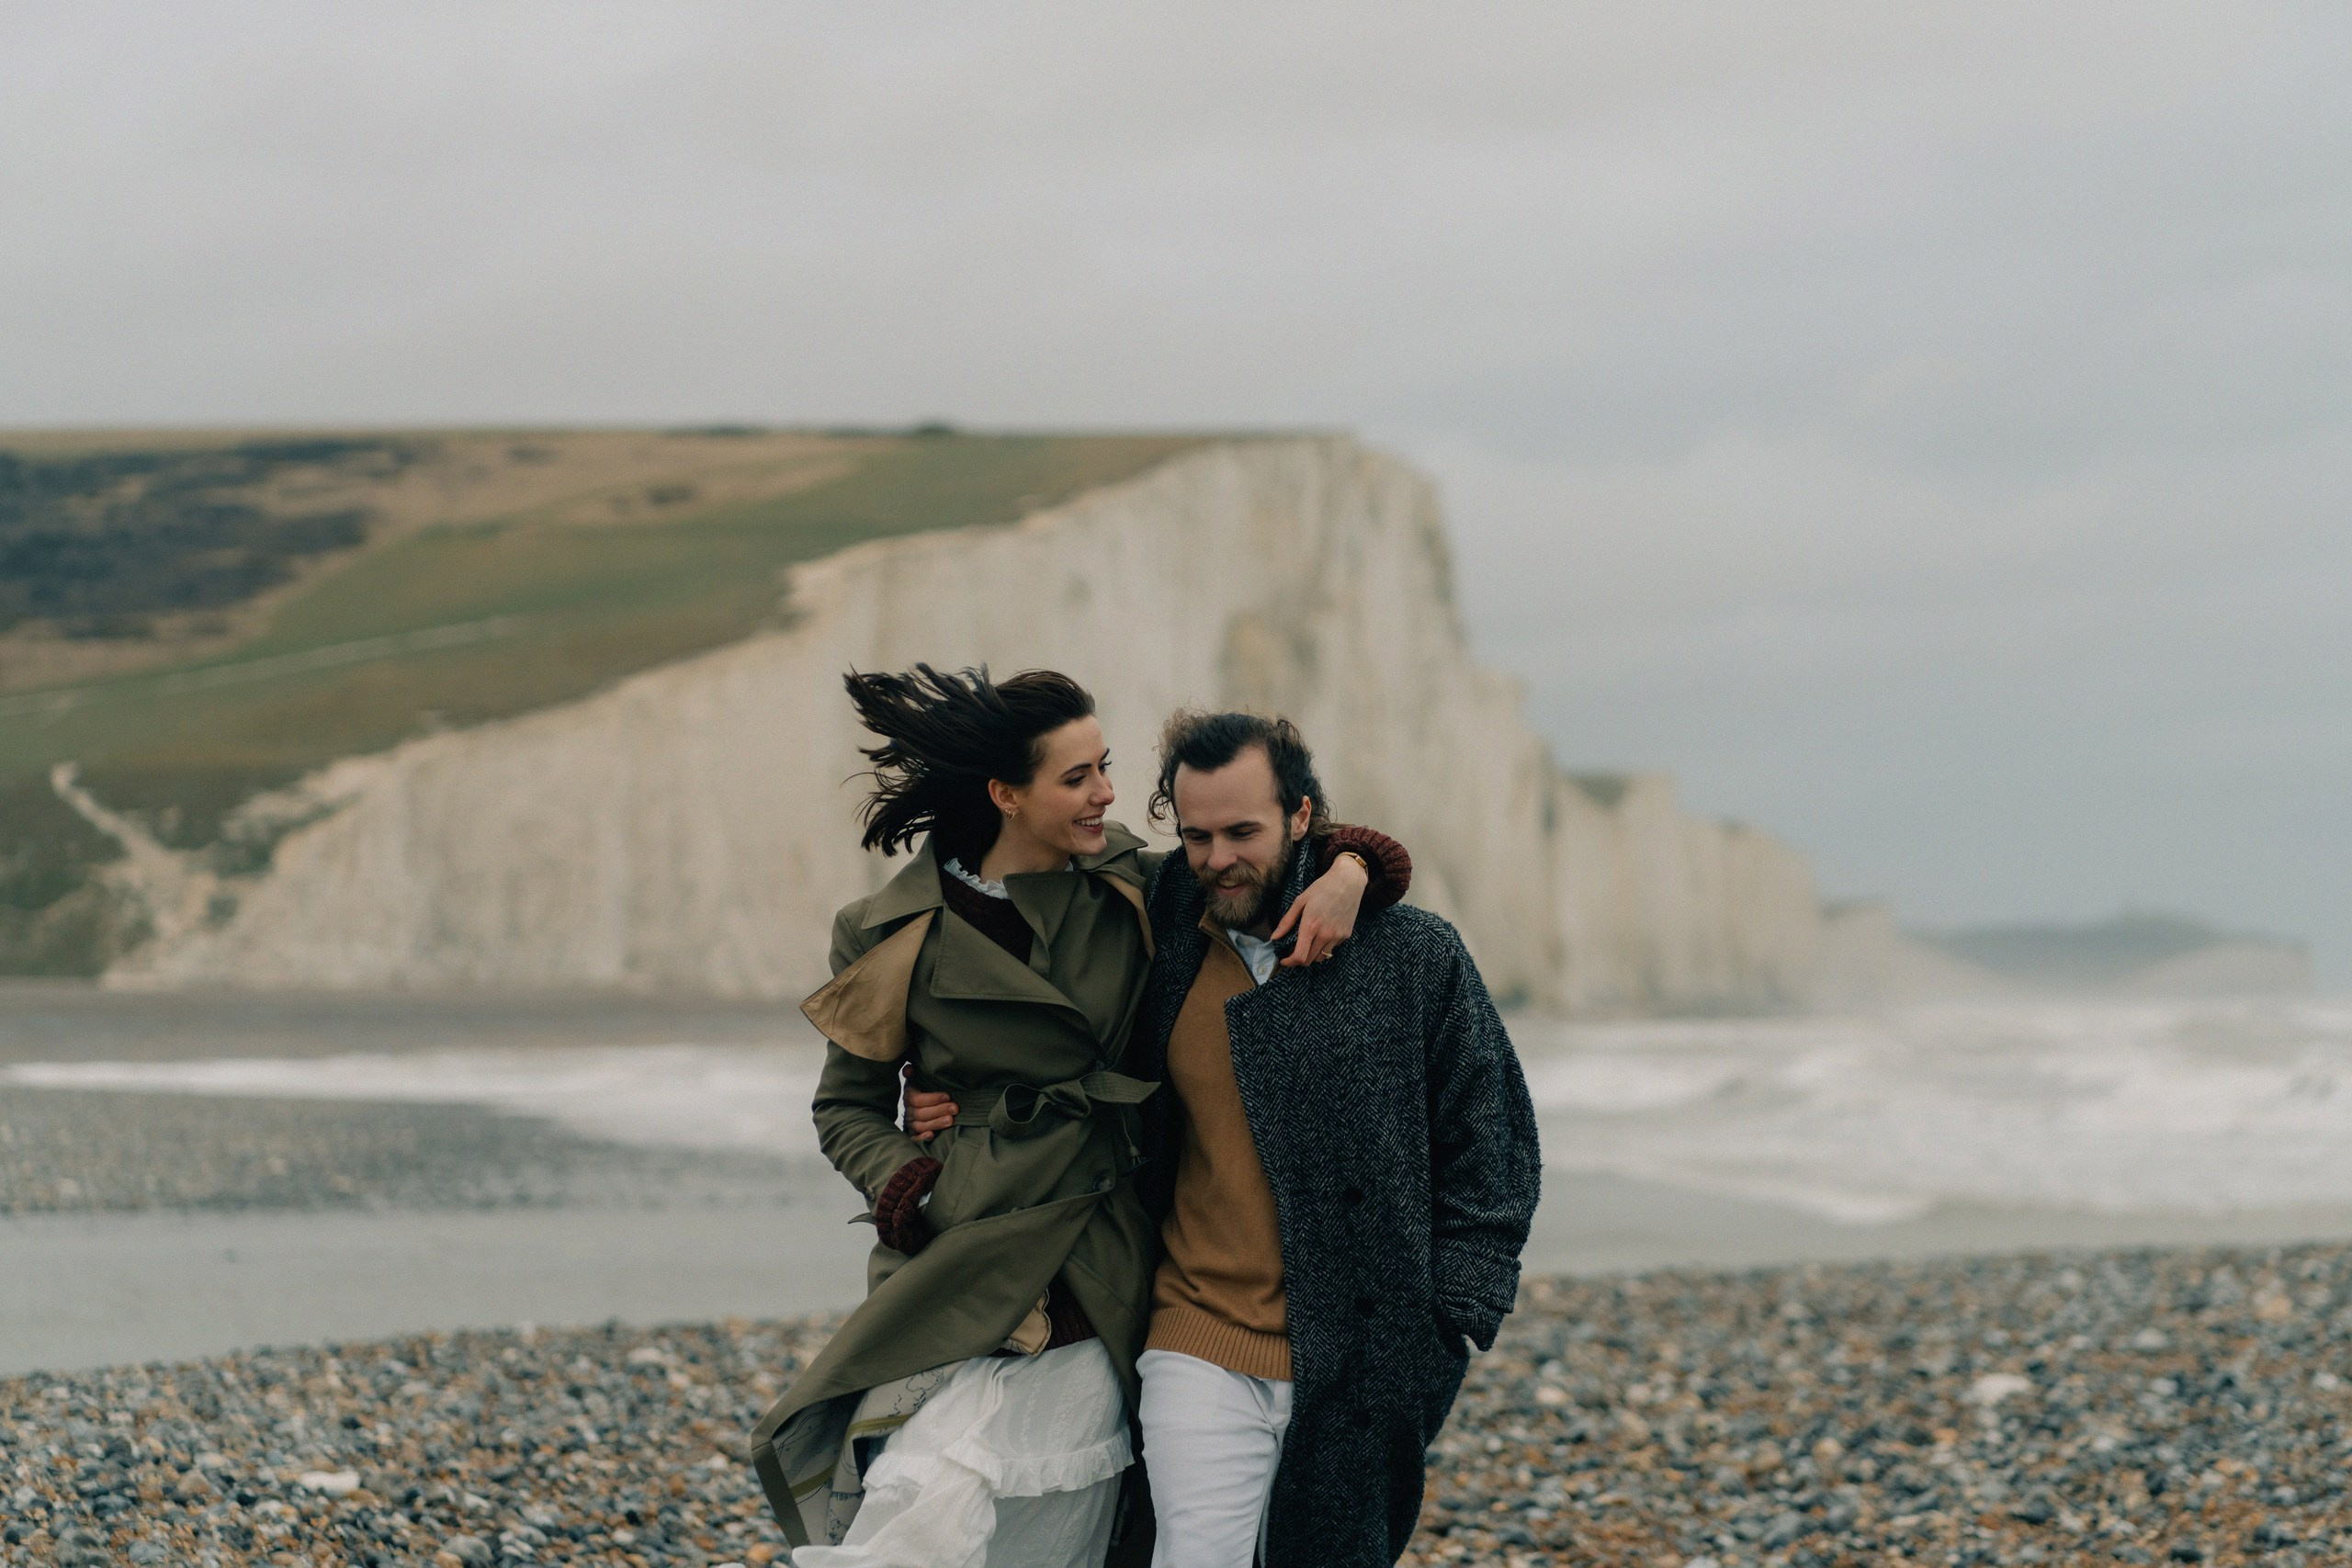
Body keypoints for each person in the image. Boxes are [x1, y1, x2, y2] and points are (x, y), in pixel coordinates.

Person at [746, 667, 1411, 1568]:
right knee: (923, 1493)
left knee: (1072, 1520)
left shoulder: (1135, 882)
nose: (1107, 791)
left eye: (1103, 766)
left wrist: (1353, 869)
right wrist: (913, 1182)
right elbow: (845, 1107)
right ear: (1005, 796)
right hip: (966, 1248)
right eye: (1078, 777)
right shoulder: (886, 928)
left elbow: (1256, 849)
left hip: (1104, 1249)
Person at [1127, 710, 1542, 1567]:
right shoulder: (1162, 927)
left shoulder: (1411, 954)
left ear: (1302, 815)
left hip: (1367, 1348)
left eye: (1243, 830)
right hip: (1196, 1331)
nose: (1218, 859)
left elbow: (1493, 1138)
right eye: (1197, 834)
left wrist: (1449, 1316)